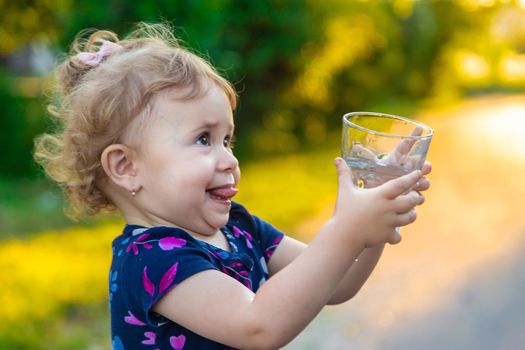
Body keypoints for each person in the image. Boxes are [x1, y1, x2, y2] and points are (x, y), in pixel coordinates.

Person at [34, 22, 431, 350]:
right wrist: (347, 228)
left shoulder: (240, 229)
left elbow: (337, 282)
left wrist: (377, 211)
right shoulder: (151, 259)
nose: (229, 159)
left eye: (228, 140)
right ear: (126, 167)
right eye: (203, 139)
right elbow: (258, 326)